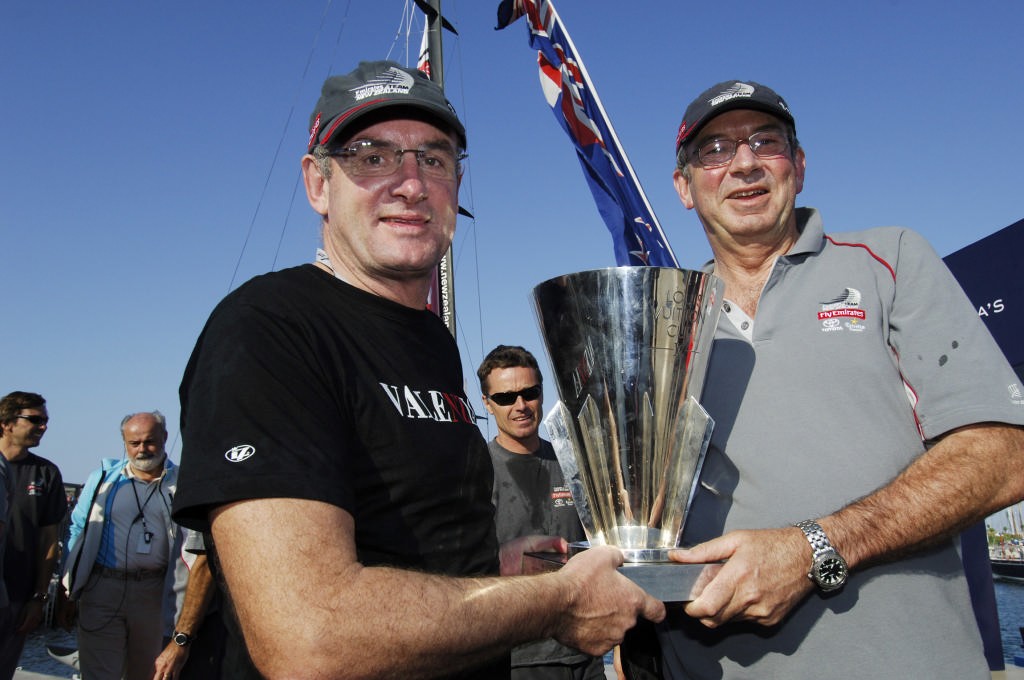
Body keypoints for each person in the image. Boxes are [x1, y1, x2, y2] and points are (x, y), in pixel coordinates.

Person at [171, 59, 664, 680]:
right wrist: (555, 602)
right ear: (317, 184)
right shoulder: (268, 330)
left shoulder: (431, 339)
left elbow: (404, 538)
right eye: (371, 157)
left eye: (434, 159)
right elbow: (309, 638)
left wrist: (493, 569)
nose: (410, 184)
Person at [651, 80, 1024, 678]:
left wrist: (812, 549)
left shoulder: (890, 261)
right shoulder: (663, 322)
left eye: (764, 142)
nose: (743, 162)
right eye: (714, 150)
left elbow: (1004, 453)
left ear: (798, 166)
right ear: (684, 187)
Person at [477, 345, 605, 680]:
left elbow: (601, 547)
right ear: (487, 405)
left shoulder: (574, 462)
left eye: (529, 393)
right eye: (505, 397)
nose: (520, 406)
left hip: (585, 649)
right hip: (517, 658)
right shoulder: (475, 472)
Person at [60, 411, 195, 680]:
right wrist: (70, 587)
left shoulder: (183, 484)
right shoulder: (104, 479)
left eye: (150, 441)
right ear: (124, 443)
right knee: (99, 673)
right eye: (134, 444)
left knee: (149, 673)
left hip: (155, 593)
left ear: (165, 438)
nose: (142, 450)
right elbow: (78, 529)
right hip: (102, 589)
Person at [0, 391, 67, 680]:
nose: (43, 426)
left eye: (45, 421)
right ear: (6, 422)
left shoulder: (46, 473)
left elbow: (49, 541)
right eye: (35, 419)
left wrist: (39, 598)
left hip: (18, 596)